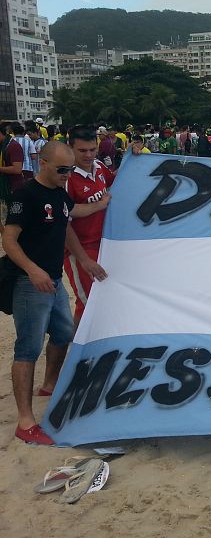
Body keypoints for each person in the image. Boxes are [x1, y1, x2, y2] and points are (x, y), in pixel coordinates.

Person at [3, 141, 108, 445]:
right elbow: (9, 240)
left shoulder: (60, 192)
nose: (68, 174)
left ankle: (49, 384)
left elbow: (68, 223)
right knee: (28, 348)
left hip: (53, 281)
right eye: (62, 169)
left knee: (63, 334)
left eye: (70, 169)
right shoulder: (25, 194)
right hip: (29, 283)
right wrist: (32, 270)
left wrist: (101, 206)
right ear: (43, 163)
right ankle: (25, 421)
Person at [64, 125, 115, 327]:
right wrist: (83, 259)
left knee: (103, 300)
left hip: (103, 245)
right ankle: (77, 351)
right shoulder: (66, 178)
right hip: (80, 251)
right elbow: (63, 221)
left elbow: (118, 178)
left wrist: (134, 156)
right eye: (82, 151)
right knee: (86, 304)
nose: (88, 155)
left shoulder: (99, 167)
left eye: (92, 149)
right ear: (71, 148)